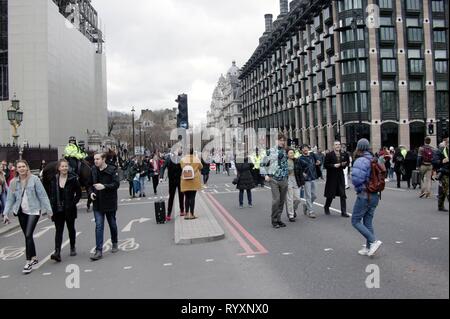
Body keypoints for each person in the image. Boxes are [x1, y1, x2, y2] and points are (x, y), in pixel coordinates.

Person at [2, 160, 53, 274]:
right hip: (21, 211)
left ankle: (28, 261)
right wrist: (5, 213)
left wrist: (49, 210)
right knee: (27, 236)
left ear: (27, 167)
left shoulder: (34, 180)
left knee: (29, 234)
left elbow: (43, 196)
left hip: (34, 210)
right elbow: (10, 199)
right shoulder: (13, 182)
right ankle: (34, 258)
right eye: (19, 167)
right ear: (16, 169)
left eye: (23, 166)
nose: (21, 169)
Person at [350, 139, 383, 257]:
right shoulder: (375, 159)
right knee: (368, 221)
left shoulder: (361, 160)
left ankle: (373, 241)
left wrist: (358, 190)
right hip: (375, 195)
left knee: (355, 221)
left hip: (364, 194)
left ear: (359, 147)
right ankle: (369, 248)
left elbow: (357, 179)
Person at [89, 152, 120, 261]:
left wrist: (104, 186)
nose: (95, 161)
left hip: (110, 202)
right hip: (97, 203)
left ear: (103, 159)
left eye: (97, 159)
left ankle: (115, 242)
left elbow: (116, 184)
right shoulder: (93, 170)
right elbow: (90, 184)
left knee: (112, 223)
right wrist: (91, 193)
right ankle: (98, 251)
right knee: (99, 225)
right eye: (94, 159)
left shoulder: (112, 169)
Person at [48, 159, 82, 262]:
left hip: (69, 208)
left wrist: (73, 203)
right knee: (58, 230)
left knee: (71, 228)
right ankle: (57, 252)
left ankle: (72, 246)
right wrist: (50, 208)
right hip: (57, 209)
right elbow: (51, 194)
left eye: (66, 166)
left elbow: (79, 193)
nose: (64, 168)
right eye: (62, 166)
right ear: (58, 168)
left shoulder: (73, 178)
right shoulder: (53, 179)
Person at [261, 133, 289, 228]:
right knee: (276, 200)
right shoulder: (270, 151)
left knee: (281, 201)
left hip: (284, 179)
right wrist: (265, 175)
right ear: (276, 141)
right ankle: (274, 220)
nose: (282, 142)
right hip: (274, 179)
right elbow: (262, 164)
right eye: (280, 140)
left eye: (283, 140)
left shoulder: (285, 151)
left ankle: (278, 219)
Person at [323, 141, 350, 218]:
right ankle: (326, 207)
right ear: (333, 146)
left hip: (340, 176)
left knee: (343, 194)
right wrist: (334, 165)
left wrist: (344, 164)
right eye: (336, 145)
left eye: (339, 145)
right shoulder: (329, 154)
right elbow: (325, 165)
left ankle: (343, 212)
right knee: (331, 194)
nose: (338, 146)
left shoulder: (344, 154)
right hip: (332, 176)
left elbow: (347, 161)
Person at [298, 144, 320, 219]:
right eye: (303, 148)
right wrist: (302, 173)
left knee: (314, 195)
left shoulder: (312, 156)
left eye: (306, 148)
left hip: (313, 177)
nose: (305, 149)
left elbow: (318, 160)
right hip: (306, 179)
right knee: (308, 195)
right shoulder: (300, 159)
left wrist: (318, 162)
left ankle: (306, 206)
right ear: (301, 150)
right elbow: (298, 169)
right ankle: (311, 211)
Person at [161, 148, 184, 221]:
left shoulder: (171, 159)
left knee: (175, 196)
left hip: (175, 180)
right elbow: (163, 167)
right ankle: (179, 211)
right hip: (177, 180)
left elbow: (163, 168)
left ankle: (171, 213)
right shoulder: (178, 159)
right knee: (177, 196)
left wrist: (161, 176)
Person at [180, 147, 203, 220]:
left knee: (186, 197)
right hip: (194, 180)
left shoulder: (183, 159)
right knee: (192, 197)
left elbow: (181, 167)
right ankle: (192, 214)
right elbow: (201, 167)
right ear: (193, 152)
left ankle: (186, 214)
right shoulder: (196, 159)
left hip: (185, 180)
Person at [286, 149, 304, 222]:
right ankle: (291, 215)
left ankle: (293, 209)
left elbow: (300, 171)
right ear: (287, 154)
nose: (292, 154)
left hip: (296, 179)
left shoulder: (297, 161)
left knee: (298, 199)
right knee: (290, 198)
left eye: (293, 153)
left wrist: (302, 183)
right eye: (290, 153)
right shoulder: (284, 161)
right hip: (288, 180)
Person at [436, 136, 449, 212]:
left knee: (443, 190)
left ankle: (440, 206)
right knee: (444, 190)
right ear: (446, 143)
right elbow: (435, 161)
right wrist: (442, 161)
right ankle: (440, 206)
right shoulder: (441, 151)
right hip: (444, 172)